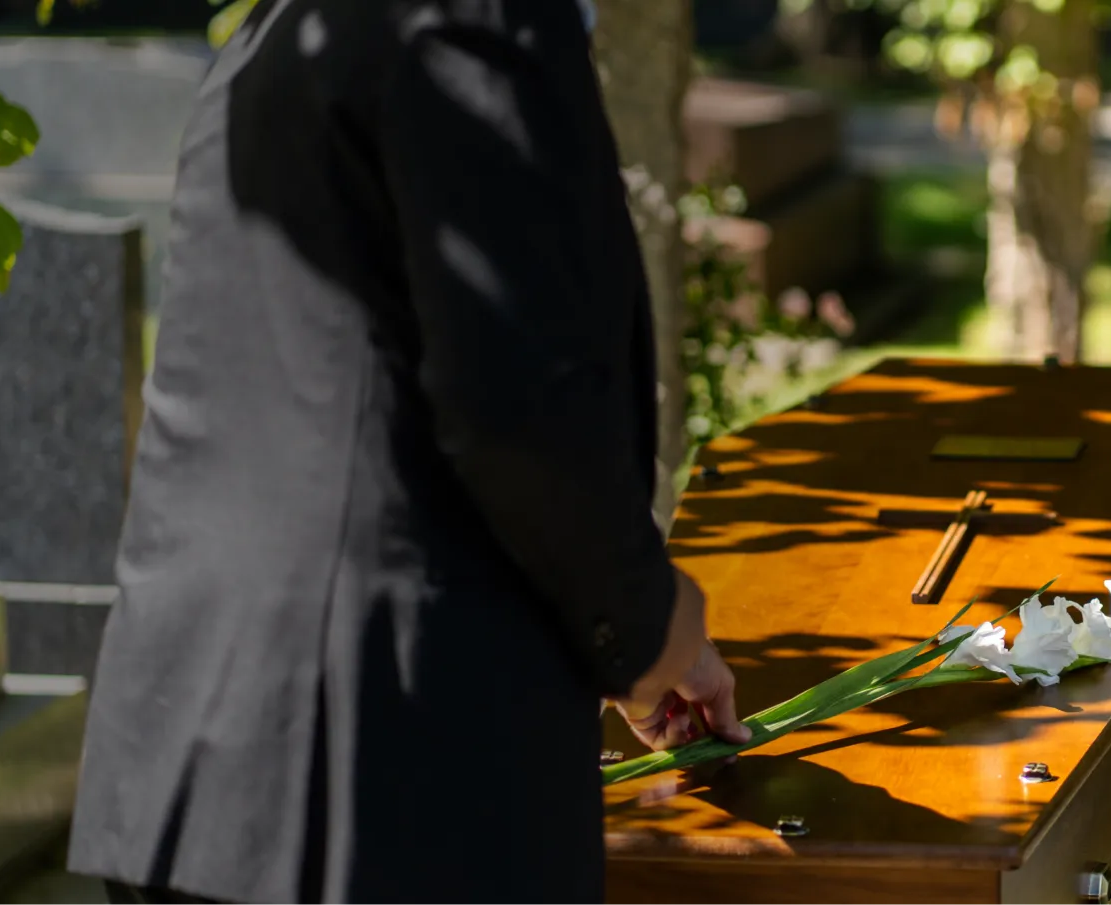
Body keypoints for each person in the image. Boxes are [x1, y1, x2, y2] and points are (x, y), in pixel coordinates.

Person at [66, 1, 747, 903]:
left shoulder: (282, 29)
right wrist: (650, 627)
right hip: (376, 782)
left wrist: (610, 642)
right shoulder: (476, 17)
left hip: (198, 762)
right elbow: (516, 405)